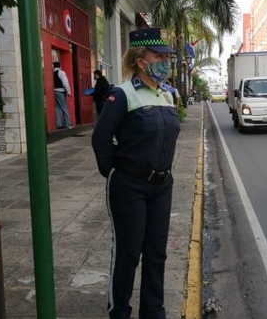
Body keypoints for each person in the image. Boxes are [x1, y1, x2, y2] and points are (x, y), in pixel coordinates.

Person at [91, 27, 180, 319]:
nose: (165, 61)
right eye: (159, 56)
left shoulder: (166, 96)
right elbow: (101, 138)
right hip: (129, 185)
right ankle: (120, 312)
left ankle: (153, 311)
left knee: (157, 252)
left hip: (162, 186)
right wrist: (115, 173)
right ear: (141, 61)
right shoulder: (123, 94)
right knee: (129, 253)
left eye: (167, 56)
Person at [53, 61, 72, 129]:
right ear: (60, 66)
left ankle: (58, 124)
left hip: (54, 92)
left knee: (57, 108)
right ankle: (67, 123)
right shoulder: (61, 72)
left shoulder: (52, 73)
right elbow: (65, 83)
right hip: (61, 92)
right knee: (64, 108)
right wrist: (69, 91)